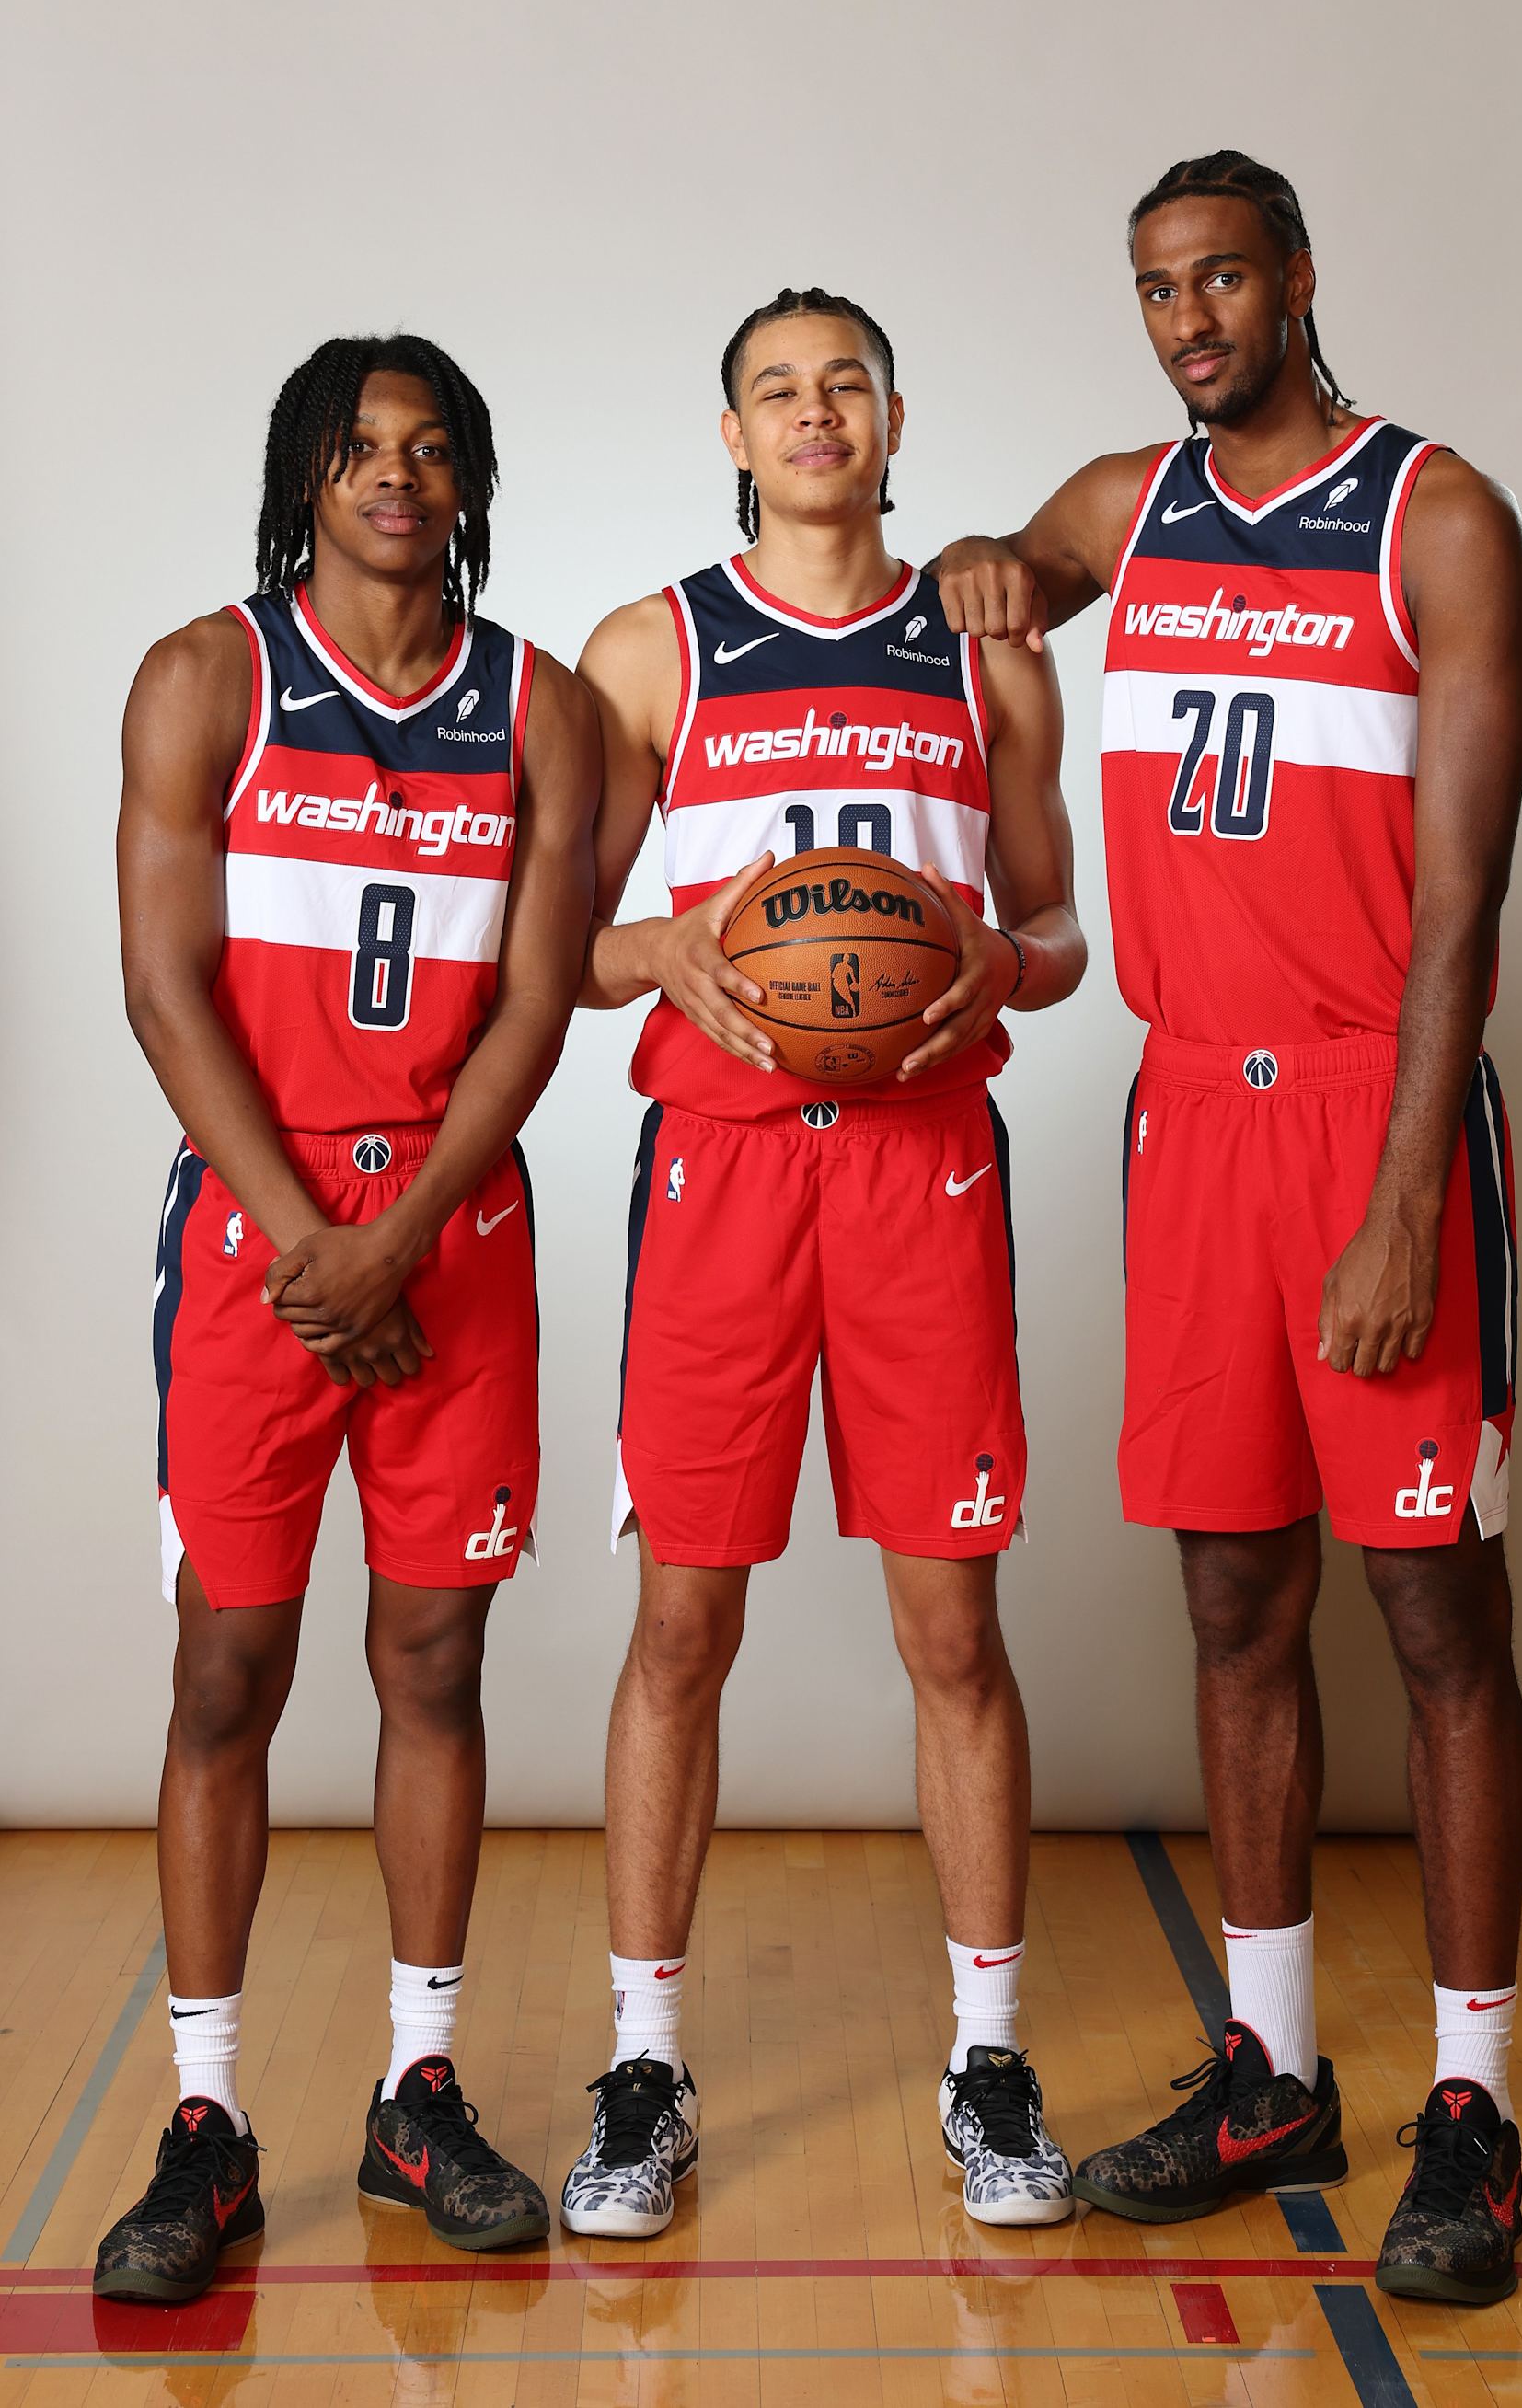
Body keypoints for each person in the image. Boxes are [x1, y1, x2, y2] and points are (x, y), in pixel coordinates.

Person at [938, 154, 1522, 2307]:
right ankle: (1268, 2067)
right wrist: (992, 563)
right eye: (1153, 291)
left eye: (1218, 279)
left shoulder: (1437, 517)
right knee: (1230, 1608)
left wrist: (1400, 1204)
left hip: (1376, 1118)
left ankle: (1472, 2103)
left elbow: (1463, 906)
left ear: (1297, 277)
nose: (1188, 321)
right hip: (1189, 1122)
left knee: (1438, 1620)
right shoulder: (1140, 499)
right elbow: (1005, 562)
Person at [561, 286, 1088, 2239]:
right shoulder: (653, 649)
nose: (812, 414)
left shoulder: (988, 654)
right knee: (683, 1630)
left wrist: (993, 967)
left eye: (843, 383)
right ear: (730, 433)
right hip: (720, 1171)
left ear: (890, 418)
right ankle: (643, 2062)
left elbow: (1056, 924)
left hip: (926, 1168)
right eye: (776, 389)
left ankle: (989, 2057)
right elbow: (572, 938)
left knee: (953, 1631)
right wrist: (670, 953)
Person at [99, 335, 598, 2300]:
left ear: (468, 479)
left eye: (427, 448)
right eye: (356, 448)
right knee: (228, 1678)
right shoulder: (203, 678)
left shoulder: (538, 710)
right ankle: (207, 2121)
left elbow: (540, 1002)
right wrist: (322, 1241)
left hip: (450, 1231)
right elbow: (166, 990)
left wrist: (403, 1242)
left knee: (434, 1663)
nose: (394, 476)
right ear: (304, 478)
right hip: (258, 1232)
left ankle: (419, 2090)